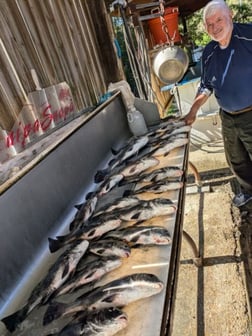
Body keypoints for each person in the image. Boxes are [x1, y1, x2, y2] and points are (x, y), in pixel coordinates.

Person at [183, 0, 252, 209]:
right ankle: (248, 191)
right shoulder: (209, 52)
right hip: (228, 116)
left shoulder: (248, 36)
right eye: (209, 24)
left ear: (230, 15)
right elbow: (206, 86)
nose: (214, 27)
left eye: (218, 20)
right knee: (236, 160)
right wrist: (193, 110)